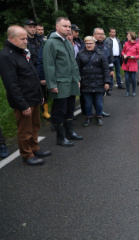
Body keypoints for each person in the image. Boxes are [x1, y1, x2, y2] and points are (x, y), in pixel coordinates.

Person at [0, 25, 51, 165]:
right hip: (24, 101)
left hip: (34, 97)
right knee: (25, 130)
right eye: (22, 39)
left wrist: (41, 95)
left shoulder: (22, 52)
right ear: (11, 39)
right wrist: (22, 104)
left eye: (26, 38)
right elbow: (11, 84)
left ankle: (35, 148)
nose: (26, 41)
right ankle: (27, 155)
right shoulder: (6, 56)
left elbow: (32, 75)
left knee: (35, 126)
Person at [43, 17, 83, 147]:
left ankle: (70, 132)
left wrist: (77, 79)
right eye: (65, 26)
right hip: (60, 84)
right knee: (60, 110)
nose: (68, 28)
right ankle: (61, 138)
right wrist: (52, 84)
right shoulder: (51, 43)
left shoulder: (67, 42)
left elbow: (73, 64)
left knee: (70, 109)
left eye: (69, 26)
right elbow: (49, 66)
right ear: (57, 27)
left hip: (71, 82)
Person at [76, 36, 111, 126]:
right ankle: (88, 118)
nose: (89, 45)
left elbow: (106, 69)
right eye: (87, 43)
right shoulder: (80, 54)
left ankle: (99, 117)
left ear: (94, 44)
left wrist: (107, 82)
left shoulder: (100, 54)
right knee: (87, 103)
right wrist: (78, 80)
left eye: (90, 43)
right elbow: (76, 69)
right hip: (85, 82)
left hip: (99, 82)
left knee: (99, 102)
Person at [94, 27, 114, 96]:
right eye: (98, 34)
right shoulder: (90, 45)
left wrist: (111, 69)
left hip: (104, 71)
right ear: (94, 35)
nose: (100, 35)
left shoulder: (106, 46)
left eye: (102, 34)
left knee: (100, 96)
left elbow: (110, 58)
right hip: (93, 72)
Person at [121, 31, 139, 97]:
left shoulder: (137, 45)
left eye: (128, 36)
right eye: (127, 36)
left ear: (132, 36)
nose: (127, 37)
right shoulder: (126, 44)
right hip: (126, 63)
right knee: (126, 78)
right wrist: (124, 55)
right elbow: (123, 51)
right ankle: (127, 91)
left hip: (133, 63)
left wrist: (134, 57)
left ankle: (134, 91)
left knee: (133, 78)